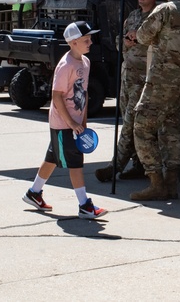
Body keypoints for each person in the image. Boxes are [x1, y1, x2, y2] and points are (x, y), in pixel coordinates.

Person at [22, 21, 107, 218]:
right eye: (86, 39)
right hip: (63, 123)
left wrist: (83, 121)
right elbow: (57, 96)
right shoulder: (65, 65)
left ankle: (34, 192)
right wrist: (72, 123)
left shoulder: (85, 63)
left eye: (90, 39)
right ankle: (85, 205)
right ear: (73, 42)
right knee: (76, 163)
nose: (90, 42)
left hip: (75, 124)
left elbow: (83, 94)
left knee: (52, 156)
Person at [130, 0, 180, 201]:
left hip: (160, 79)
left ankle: (156, 182)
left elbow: (141, 36)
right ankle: (171, 184)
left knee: (141, 127)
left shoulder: (164, 10)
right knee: (171, 129)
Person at [95, 0, 159, 183]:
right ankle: (138, 164)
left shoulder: (157, 17)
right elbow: (118, 42)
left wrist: (139, 39)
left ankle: (115, 166)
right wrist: (124, 41)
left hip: (144, 78)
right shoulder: (133, 16)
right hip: (127, 76)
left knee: (131, 123)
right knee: (127, 120)